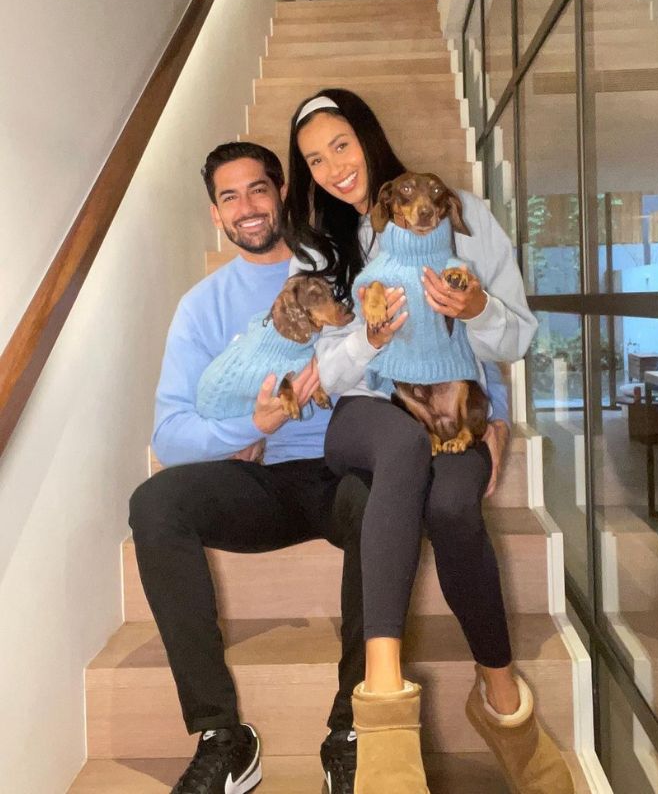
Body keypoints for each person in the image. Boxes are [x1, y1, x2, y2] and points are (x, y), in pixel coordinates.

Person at [282, 89, 572, 794]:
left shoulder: (462, 216)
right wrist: (367, 340)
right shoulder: (319, 252)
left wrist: (479, 324)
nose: (331, 168)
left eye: (341, 146)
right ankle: (383, 703)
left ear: (369, 137)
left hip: (450, 406)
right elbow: (320, 372)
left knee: (450, 509)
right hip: (365, 411)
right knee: (403, 451)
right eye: (314, 159)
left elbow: (519, 337)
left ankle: (500, 700)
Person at [131, 141, 368, 794]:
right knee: (155, 504)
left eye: (258, 190)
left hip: (342, 472)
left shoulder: (337, 275)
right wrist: (247, 427)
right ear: (216, 215)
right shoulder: (200, 308)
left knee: (381, 500)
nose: (247, 207)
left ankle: (352, 727)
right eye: (230, 197)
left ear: (282, 192)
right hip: (258, 486)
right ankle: (222, 735)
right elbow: (169, 433)